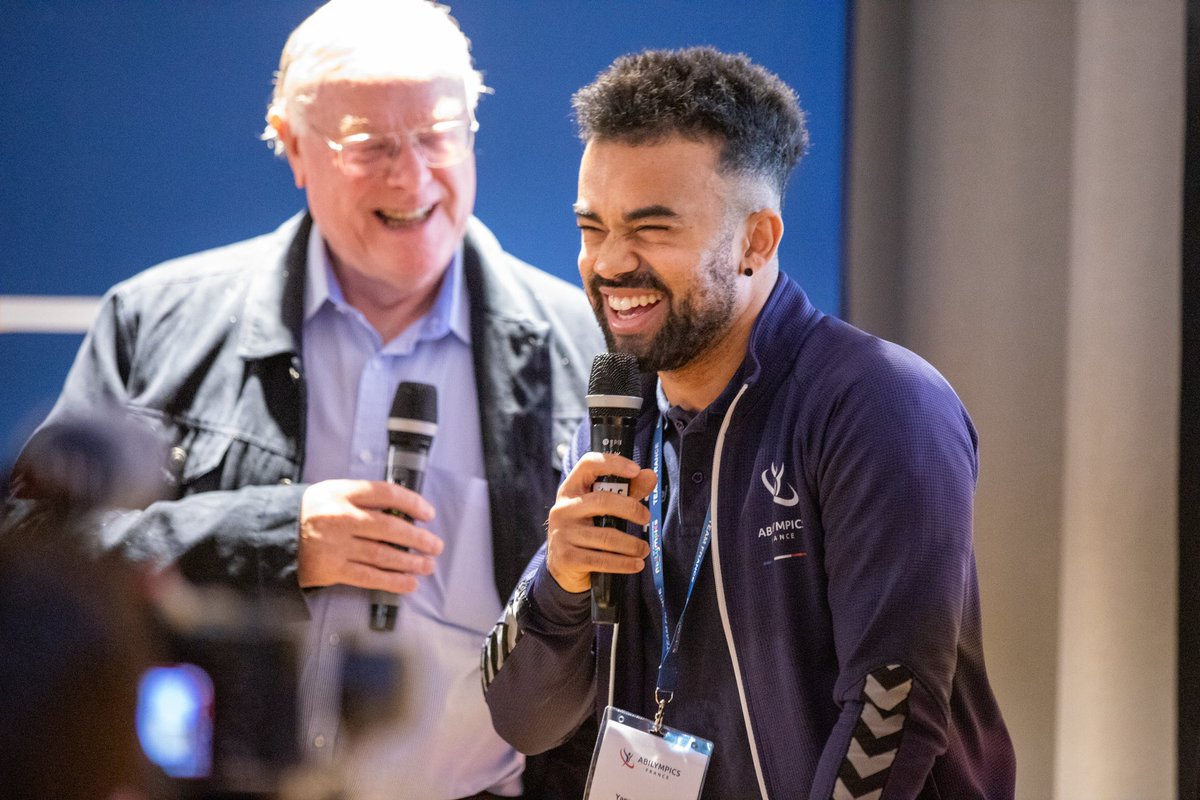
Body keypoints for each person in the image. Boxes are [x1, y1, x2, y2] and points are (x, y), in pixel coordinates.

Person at [9, 1, 603, 798]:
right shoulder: (154, 320)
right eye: (371, 145)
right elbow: (38, 557)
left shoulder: (585, 349)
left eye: (437, 134)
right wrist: (277, 536)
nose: (413, 174)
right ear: (293, 147)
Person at [481, 47, 1016, 798]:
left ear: (756, 242)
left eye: (651, 229)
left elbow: (891, 721)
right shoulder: (616, 426)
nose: (608, 263)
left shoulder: (878, 405)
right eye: (592, 226)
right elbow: (522, 720)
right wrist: (559, 582)